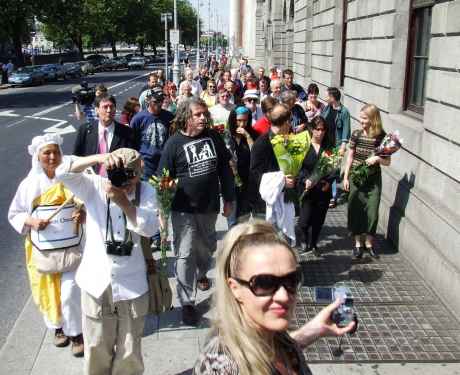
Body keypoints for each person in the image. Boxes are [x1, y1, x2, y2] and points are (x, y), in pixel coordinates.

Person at [194, 220, 355, 375]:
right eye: (265, 283)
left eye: (291, 280)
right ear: (235, 288)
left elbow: (269, 354)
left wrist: (314, 329)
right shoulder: (220, 366)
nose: (283, 296)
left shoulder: (273, 335)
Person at [56, 148, 159, 375]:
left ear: (140, 171)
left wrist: (124, 202)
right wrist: (98, 158)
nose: (127, 181)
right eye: (121, 173)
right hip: (96, 283)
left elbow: (150, 227)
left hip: (131, 285)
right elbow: (61, 171)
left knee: (129, 353)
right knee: (96, 349)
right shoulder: (94, 185)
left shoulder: (146, 191)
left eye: (132, 174)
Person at [158, 98, 235, 325]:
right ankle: (187, 302)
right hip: (183, 210)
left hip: (209, 207)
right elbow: (163, 178)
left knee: (206, 248)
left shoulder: (214, 137)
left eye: (204, 114)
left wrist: (229, 198)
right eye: (198, 114)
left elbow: (225, 169)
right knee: (185, 253)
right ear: (186, 117)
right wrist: (163, 203)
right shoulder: (173, 143)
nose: (203, 118)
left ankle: (202, 273)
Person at [8, 134, 84, 357]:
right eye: (47, 153)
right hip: (43, 251)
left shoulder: (71, 178)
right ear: (38, 157)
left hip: (71, 248)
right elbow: (15, 213)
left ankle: (76, 332)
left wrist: (82, 214)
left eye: (56, 152)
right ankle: (57, 327)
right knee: (48, 290)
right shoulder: (29, 185)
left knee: (70, 290)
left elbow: (87, 201)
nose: (52, 157)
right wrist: (32, 221)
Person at [343, 104, 390, 259]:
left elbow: (387, 161)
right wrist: (345, 177)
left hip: (373, 179)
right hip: (356, 177)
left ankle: (369, 243)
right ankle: (358, 244)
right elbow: (350, 156)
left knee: (372, 211)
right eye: (361, 117)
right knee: (355, 208)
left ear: (373, 118)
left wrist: (377, 158)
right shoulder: (356, 134)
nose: (361, 120)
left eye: (364, 118)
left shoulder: (381, 136)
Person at [73, 94, 136, 176]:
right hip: (89, 181)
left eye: (112, 107)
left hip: (115, 183)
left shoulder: (127, 132)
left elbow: (132, 160)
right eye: (105, 107)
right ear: (97, 110)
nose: (109, 110)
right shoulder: (84, 130)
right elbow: (76, 157)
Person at [249, 103, 294, 217]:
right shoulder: (261, 143)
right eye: (290, 120)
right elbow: (256, 175)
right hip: (264, 207)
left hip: (282, 203)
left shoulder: (287, 140)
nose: (291, 124)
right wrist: (282, 181)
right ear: (285, 122)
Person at [297, 116, 333, 255]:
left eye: (323, 129)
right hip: (307, 189)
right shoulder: (303, 145)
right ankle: (305, 240)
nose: (321, 132)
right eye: (318, 129)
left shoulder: (328, 147)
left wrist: (329, 182)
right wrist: (304, 179)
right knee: (304, 222)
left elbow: (333, 167)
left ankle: (313, 244)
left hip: (323, 190)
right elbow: (297, 167)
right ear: (311, 129)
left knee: (318, 220)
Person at [130, 89, 174, 180]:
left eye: (161, 101)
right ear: (148, 100)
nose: (159, 104)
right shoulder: (138, 119)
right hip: (146, 163)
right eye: (155, 101)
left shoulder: (169, 117)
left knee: (164, 192)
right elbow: (131, 142)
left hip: (164, 161)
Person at [226, 106, 257, 227]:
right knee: (232, 219)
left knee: (243, 217)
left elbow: (255, 153)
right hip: (230, 180)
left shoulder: (252, 134)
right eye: (239, 120)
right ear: (233, 120)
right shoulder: (227, 135)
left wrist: (248, 136)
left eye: (245, 120)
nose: (242, 124)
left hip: (247, 180)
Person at [321, 87, 351, 208]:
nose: (325, 97)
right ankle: (324, 192)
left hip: (336, 145)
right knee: (324, 169)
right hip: (325, 144)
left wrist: (343, 146)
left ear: (332, 98)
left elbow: (346, 130)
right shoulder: (327, 108)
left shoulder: (344, 112)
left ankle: (332, 197)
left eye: (327, 96)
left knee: (333, 171)